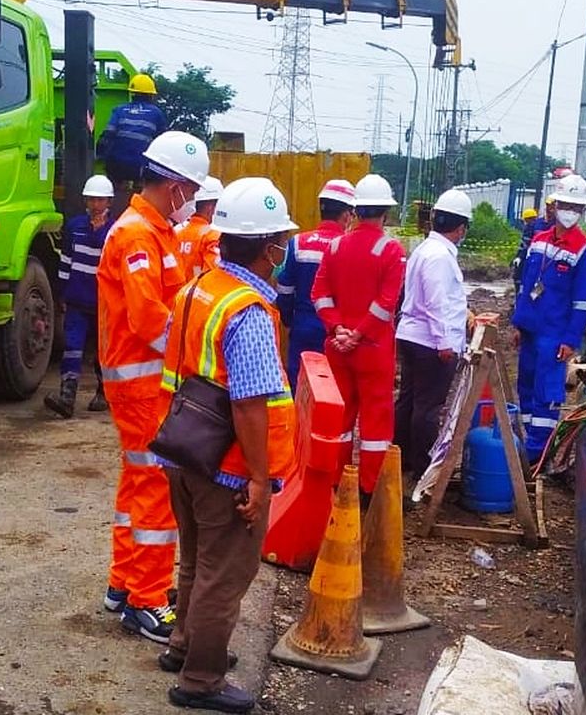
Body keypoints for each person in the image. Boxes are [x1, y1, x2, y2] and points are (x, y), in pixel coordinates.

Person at [158, 176, 298, 715]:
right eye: (281, 241)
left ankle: (183, 645)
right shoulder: (250, 313)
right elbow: (249, 405)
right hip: (229, 469)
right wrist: (260, 480)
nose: (284, 250)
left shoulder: (196, 290)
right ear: (269, 249)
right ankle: (201, 679)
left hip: (184, 450)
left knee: (194, 561)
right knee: (226, 575)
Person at [97, 130, 208, 643]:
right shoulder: (139, 235)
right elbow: (149, 320)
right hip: (142, 381)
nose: (193, 200)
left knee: (135, 483)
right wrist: (198, 353)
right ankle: (145, 599)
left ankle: (124, 582)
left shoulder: (154, 229)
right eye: (191, 189)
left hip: (144, 379)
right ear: (175, 186)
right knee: (154, 488)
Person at [311, 173, 406, 498]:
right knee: (375, 422)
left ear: (356, 210)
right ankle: (368, 488)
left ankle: (335, 482)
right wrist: (358, 334)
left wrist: (337, 328)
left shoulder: (336, 246)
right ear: (385, 212)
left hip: (338, 347)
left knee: (340, 417)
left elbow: (319, 293)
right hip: (373, 349)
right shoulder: (391, 250)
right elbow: (386, 304)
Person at [512, 175, 586, 462]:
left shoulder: (585, 251)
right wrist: (518, 323)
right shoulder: (538, 241)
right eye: (566, 204)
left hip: (554, 334)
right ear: (555, 205)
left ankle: (538, 453)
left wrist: (571, 339)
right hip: (530, 328)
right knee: (524, 384)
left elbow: (581, 301)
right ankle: (525, 441)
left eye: (576, 206)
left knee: (546, 391)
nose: (570, 211)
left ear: (582, 211)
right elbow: (526, 285)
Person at [395, 189, 472, 479]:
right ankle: (420, 467)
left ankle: (400, 457)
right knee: (427, 408)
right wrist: (444, 342)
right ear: (461, 227)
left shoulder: (425, 250)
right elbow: (435, 302)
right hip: (431, 342)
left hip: (414, 336)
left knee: (410, 401)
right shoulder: (440, 256)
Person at [45, 174, 116, 418]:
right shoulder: (75, 227)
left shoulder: (114, 231)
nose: (95, 205)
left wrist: (98, 232)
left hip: (103, 302)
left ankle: (104, 393)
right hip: (77, 299)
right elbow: (66, 261)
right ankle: (67, 396)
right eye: (91, 200)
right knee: (72, 348)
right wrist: (62, 293)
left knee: (103, 351)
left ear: (109, 202)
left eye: (100, 200)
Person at [275, 179, 357, 388]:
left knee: (298, 386)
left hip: (302, 327)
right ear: (347, 214)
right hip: (335, 333)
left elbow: (284, 288)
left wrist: (289, 319)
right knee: (330, 392)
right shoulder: (349, 247)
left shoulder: (298, 243)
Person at [97, 73, 168, 188]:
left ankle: (115, 195)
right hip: (140, 167)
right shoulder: (156, 113)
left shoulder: (119, 110)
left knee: (114, 183)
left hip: (116, 165)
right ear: (151, 95)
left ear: (132, 92)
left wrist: (99, 154)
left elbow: (107, 135)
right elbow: (163, 141)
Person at [175, 176, 223, 277]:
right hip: (199, 290)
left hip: (178, 291)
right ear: (211, 208)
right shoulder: (212, 235)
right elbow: (213, 273)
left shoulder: (175, 232)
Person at [512, 198, 555, 292]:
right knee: (521, 277)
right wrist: (519, 256)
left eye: (553, 206)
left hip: (550, 260)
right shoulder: (537, 224)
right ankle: (521, 299)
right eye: (548, 206)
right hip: (533, 258)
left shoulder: (558, 225)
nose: (550, 209)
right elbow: (525, 242)